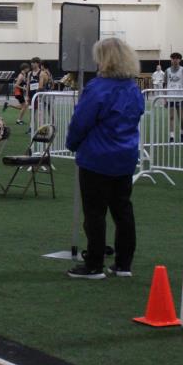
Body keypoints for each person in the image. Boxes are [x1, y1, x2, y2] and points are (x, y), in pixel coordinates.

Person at [64, 38, 144, 279]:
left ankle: (94, 264)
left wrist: (72, 143)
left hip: (97, 157)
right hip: (125, 156)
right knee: (123, 210)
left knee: (95, 213)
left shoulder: (98, 88)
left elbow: (81, 121)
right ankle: (123, 263)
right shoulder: (133, 89)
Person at [165, 52, 183, 142]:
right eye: (173, 58)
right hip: (170, 97)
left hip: (180, 97)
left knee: (181, 117)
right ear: (171, 60)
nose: (175, 60)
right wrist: (164, 99)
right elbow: (165, 85)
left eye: (177, 58)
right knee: (171, 117)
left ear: (180, 60)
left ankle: (182, 133)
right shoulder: (167, 71)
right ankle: (171, 136)